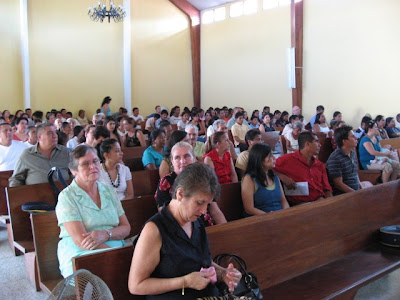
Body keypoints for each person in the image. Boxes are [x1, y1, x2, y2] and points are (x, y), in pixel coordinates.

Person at [129, 163, 241, 299]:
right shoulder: (154, 229)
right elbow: (136, 285)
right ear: (180, 194)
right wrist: (185, 282)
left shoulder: (196, 221)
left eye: (208, 204)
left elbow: (202, 262)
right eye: (199, 203)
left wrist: (223, 274)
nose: (204, 211)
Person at [56, 145, 131, 278]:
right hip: (80, 253)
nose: (93, 167)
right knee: (104, 274)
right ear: (74, 171)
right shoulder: (67, 197)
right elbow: (81, 240)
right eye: (85, 164)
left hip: (114, 245)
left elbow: (126, 228)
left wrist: (106, 234)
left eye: (95, 161)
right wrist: (119, 258)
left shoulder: (108, 191)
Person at [156, 142, 227, 224]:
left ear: (193, 158)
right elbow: (165, 214)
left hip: (207, 227)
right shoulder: (166, 182)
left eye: (187, 156)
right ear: (172, 161)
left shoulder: (204, 177)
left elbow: (215, 210)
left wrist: (226, 231)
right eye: (177, 158)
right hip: (180, 227)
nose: (182, 161)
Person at [274, 132, 333, 205]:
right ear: (308, 144)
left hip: (320, 201)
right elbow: (265, 167)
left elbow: (327, 188)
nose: (320, 145)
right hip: (300, 204)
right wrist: (282, 176)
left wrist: (331, 203)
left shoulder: (319, 165)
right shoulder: (287, 160)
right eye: (317, 141)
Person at [241, 143, 289, 216]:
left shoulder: (274, 177)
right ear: (260, 160)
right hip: (261, 219)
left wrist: (286, 214)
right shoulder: (249, 179)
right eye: (270, 156)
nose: (273, 158)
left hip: (279, 216)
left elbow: (283, 201)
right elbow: (249, 208)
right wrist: (269, 216)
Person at [326, 126, 371, 195]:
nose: (356, 138)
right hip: (345, 195)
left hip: (356, 191)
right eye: (352, 136)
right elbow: (338, 184)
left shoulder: (352, 153)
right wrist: (356, 194)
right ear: (344, 141)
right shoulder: (335, 159)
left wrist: (360, 187)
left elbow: (355, 174)